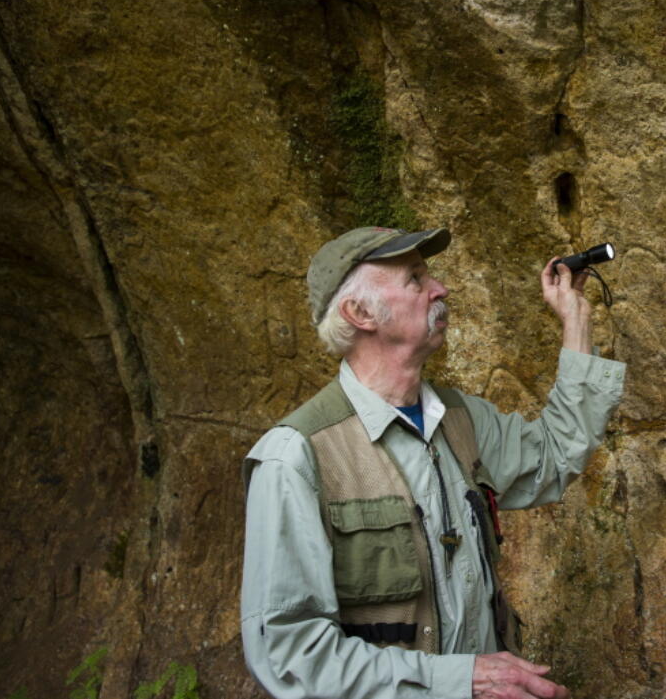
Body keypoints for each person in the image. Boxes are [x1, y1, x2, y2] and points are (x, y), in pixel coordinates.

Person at [240, 226, 625, 699]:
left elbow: (554, 455)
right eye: (416, 279)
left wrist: (576, 322)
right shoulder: (295, 457)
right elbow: (290, 656)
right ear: (359, 312)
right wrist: (461, 681)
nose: (441, 289)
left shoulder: (462, 419)